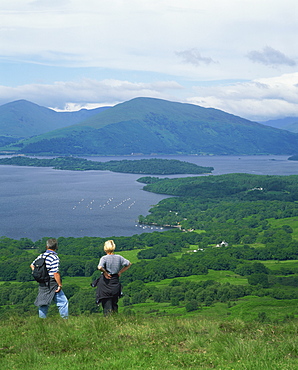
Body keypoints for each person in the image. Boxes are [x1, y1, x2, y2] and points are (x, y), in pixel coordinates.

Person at [30, 238, 68, 319]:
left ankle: (42, 322)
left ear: (46, 246)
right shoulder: (54, 257)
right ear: (56, 247)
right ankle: (65, 321)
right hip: (52, 282)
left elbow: (32, 265)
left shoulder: (41, 255)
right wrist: (60, 285)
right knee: (63, 302)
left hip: (42, 282)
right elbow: (55, 273)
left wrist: (40, 274)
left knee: (43, 303)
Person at [96, 239, 131, 316]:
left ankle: (108, 322)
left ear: (105, 248)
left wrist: (105, 272)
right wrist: (120, 272)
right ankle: (115, 321)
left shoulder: (104, 258)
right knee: (114, 303)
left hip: (105, 283)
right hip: (115, 282)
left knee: (106, 305)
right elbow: (128, 264)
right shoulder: (119, 257)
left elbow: (99, 267)